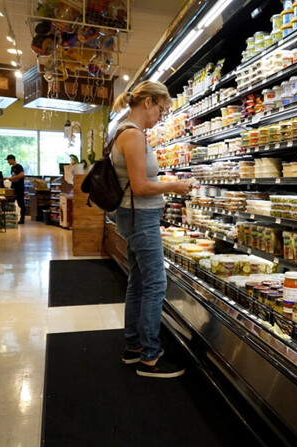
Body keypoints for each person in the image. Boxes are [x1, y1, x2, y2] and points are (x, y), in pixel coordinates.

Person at [112, 81, 193, 378]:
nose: (161, 116)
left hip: (133, 215)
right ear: (147, 102)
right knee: (155, 284)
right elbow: (141, 186)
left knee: (138, 282)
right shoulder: (132, 135)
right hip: (141, 218)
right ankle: (150, 357)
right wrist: (174, 184)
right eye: (161, 109)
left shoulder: (124, 130)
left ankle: (134, 347)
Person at [5, 154, 26, 224]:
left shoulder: (18, 166)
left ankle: (22, 219)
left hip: (19, 188)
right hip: (14, 187)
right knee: (10, 202)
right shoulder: (12, 168)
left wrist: (11, 178)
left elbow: (21, 175)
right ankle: (11, 218)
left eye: (8, 160)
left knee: (21, 204)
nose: (8, 162)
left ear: (12, 160)